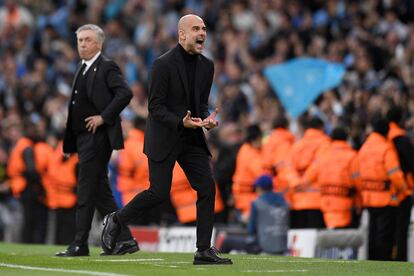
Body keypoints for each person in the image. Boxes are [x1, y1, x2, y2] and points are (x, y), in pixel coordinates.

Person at [101, 14, 232, 265]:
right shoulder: (162, 64)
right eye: (196, 29)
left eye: (204, 28)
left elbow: (200, 104)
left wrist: (206, 119)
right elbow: (155, 107)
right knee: (159, 192)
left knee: (207, 187)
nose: (202, 33)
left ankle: (203, 250)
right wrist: (179, 121)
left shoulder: (208, 66)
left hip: (191, 136)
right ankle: (116, 219)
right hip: (165, 135)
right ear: (182, 34)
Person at [56, 24, 136, 257]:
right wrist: (71, 142)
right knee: (100, 191)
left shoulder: (106, 66)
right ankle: (125, 239)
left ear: (98, 43)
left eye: (87, 40)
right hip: (83, 138)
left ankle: (80, 243)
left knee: (86, 189)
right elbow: (75, 107)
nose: (82, 44)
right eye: (79, 40)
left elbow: (125, 93)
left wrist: (104, 117)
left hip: (98, 137)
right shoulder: (81, 67)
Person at [355, 114, 406, 260]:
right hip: (385, 198)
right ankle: (383, 263)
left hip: (368, 198)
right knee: (385, 235)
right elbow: (395, 174)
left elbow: (357, 173)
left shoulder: (364, 148)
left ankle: (372, 261)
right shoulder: (386, 148)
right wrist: (403, 189)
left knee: (372, 232)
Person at [220, 175, 289, 254]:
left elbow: (251, 230)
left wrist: (246, 220)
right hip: (282, 246)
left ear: (259, 188)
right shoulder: (284, 203)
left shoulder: (257, 203)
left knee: (227, 242)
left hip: (262, 246)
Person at [386, 106, 414, 261]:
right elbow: (411, 162)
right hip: (402, 189)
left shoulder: (383, 137)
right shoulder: (401, 138)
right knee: (401, 230)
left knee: (387, 230)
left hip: (384, 192)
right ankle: (400, 261)